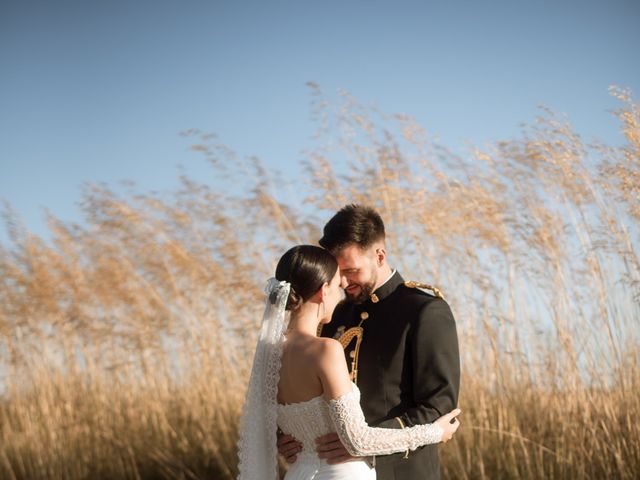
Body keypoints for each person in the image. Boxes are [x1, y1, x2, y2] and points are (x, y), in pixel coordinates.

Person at [236, 245, 461, 480]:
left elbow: (264, 425)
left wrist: (284, 440)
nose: (342, 291)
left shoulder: (270, 354)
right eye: (336, 286)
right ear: (323, 291)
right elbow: (358, 441)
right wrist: (435, 432)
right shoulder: (326, 350)